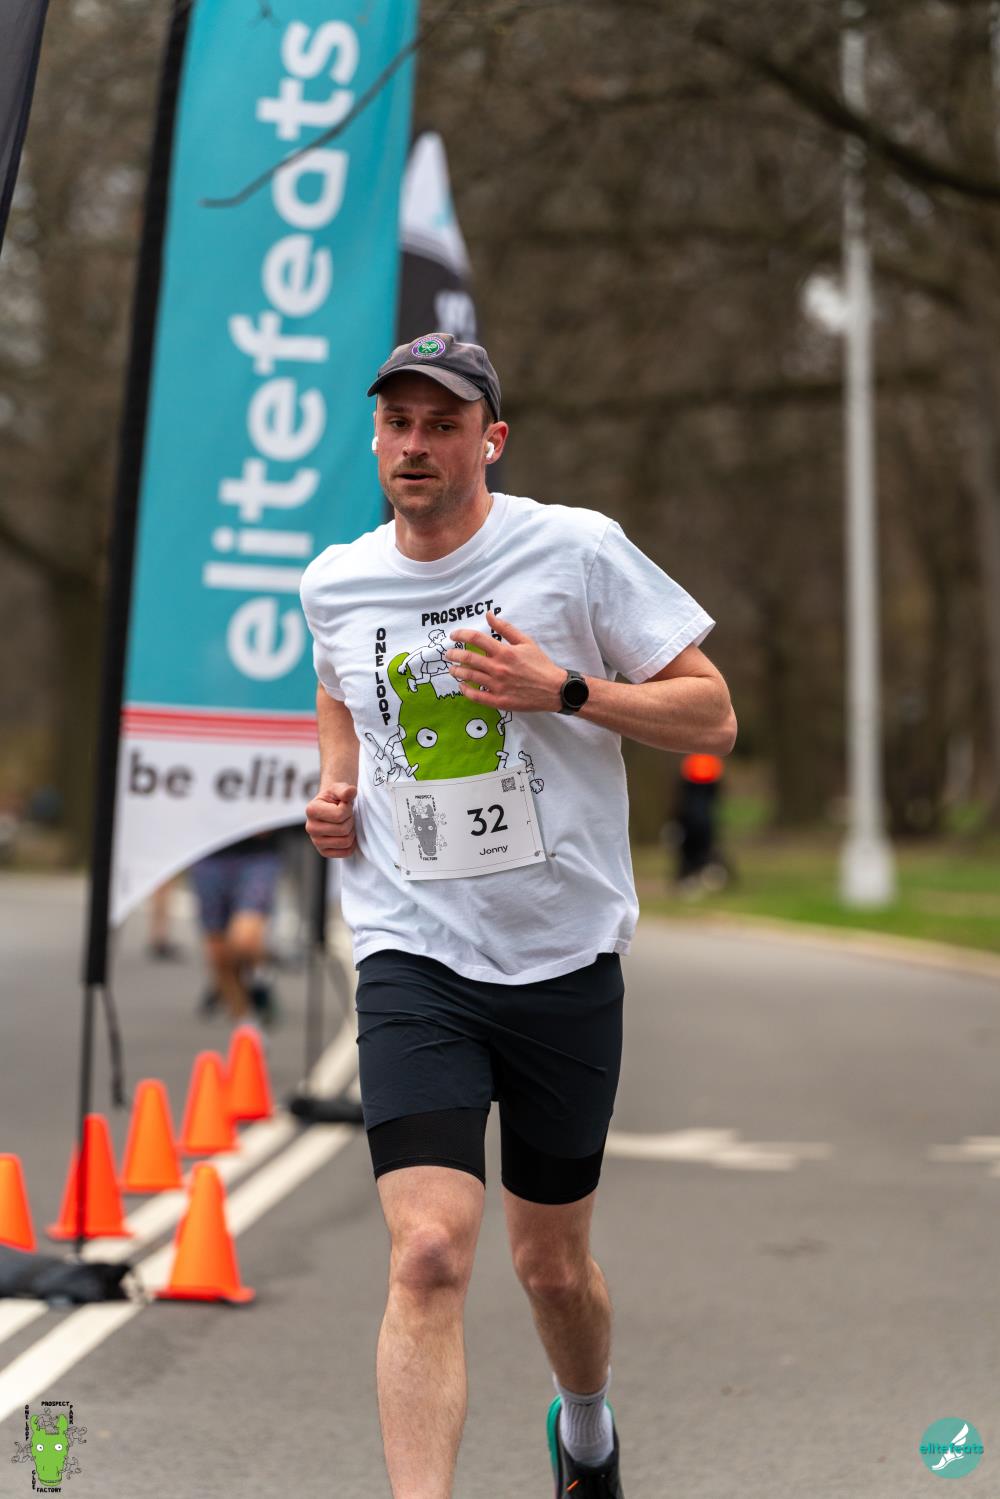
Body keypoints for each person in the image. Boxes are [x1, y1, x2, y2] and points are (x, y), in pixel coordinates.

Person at [299, 332, 737, 1499]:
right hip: (412, 947)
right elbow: (339, 685)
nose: (416, 444)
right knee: (428, 1250)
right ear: (376, 437)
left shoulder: (575, 550)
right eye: (398, 422)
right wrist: (338, 787)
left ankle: (585, 1429)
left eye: (442, 424)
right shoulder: (335, 580)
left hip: (561, 955)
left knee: (551, 1268)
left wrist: (567, 690)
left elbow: (711, 715)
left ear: (489, 440)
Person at [188, 829, 284, 1025]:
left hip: (255, 855)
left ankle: (261, 976)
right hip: (208, 855)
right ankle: (245, 1023)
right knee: (219, 955)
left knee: (245, 939)